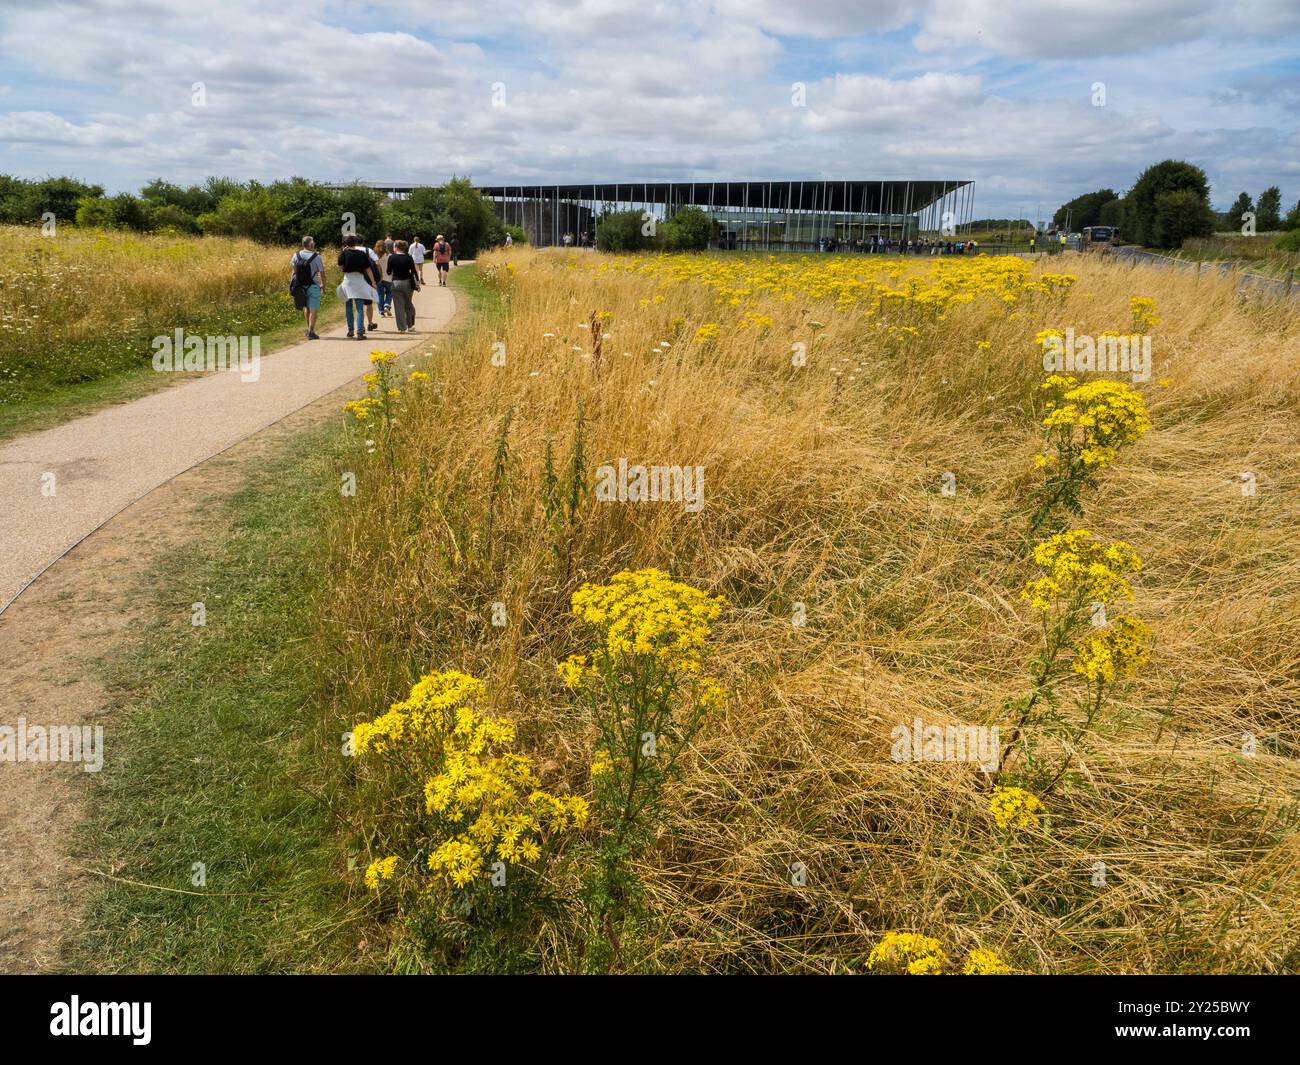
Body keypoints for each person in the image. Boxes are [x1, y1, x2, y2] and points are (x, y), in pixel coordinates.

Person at [336, 234, 379, 339]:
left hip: (348, 281)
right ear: (355, 242)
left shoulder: (343, 254)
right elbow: (368, 269)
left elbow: (341, 268)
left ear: (345, 243)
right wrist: (373, 282)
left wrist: (344, 253)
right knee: (360, 308)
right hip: (359, 281)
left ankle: (350, 330)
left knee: (348, 307)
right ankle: (360, 333)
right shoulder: (362, 254)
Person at [290, 236, 324, 340]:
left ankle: (308, 330)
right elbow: (322, 273)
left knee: (306, 308)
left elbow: (294, 271)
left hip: (300, 285)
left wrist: (292, 284)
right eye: (313, 243)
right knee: (313, 309)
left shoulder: (296, 255)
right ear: (311, 245)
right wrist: (323, 285)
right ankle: (311, 331)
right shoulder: (317, 257)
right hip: (313, 285)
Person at [386, 239, 421, 333]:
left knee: (398, 307)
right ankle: (410, 326)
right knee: (408, 304)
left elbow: (388, 272)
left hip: (396, 283)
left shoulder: (392, 258)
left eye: (394, 246)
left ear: (396, 247)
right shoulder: (409, 257)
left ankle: (402, 328)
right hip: (408, 283)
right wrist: (417, 283)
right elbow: (414, 271)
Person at [373, 239, 393, 319]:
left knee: (380, 294)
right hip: (388, 277)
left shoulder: (374, 256)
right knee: (389, 292)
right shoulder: (390, 255)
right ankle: (386, 305)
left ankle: (381, 312)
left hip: (378, 278)